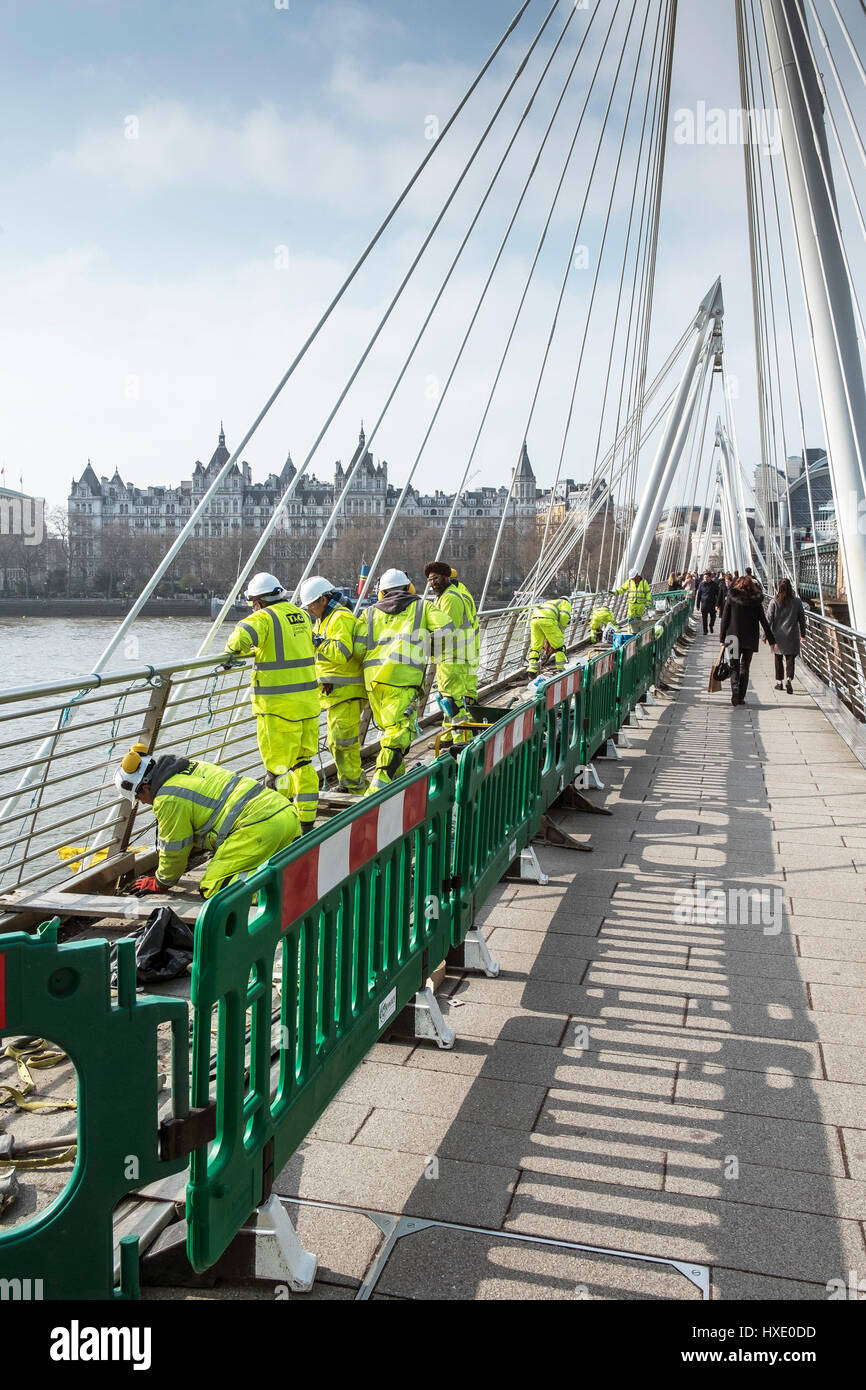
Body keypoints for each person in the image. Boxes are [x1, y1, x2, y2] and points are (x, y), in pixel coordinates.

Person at [117, 744, 300, 899]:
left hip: (260, 827)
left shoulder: (167, 798)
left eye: (140, 798)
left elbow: (175, 850)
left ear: (146, 788)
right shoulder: (191, 766)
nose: (144, 803)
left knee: (215, 889)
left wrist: (160, 882)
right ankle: (298, 880)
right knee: (265, 865)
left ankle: (287, 892)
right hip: (285, 814)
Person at [222, 572, 319, 832]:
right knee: (303, 764)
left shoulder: (263, 617)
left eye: (253, 602)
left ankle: (280, 825)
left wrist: (238, 653)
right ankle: (306, 822)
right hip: (307, 705)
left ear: (259, 600)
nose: (253, 606)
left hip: (277, 708)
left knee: (277, 769)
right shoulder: (301, 615)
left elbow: (237, 641)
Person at [354, 568, 451, 795]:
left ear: (381, 593)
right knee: (398, 734)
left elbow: (358, 649)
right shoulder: (422, 606)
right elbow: (446, 629)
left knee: (391, 731)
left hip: (375, 684)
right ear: (409, 588)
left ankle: (397, 784)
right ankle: (379, 787)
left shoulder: (368, 614)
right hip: (404, 681)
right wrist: (428, 648)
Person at [299, 575, 367, 795]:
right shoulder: (324, 618)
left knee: (343, 742)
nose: (309, 610)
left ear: (323, 600)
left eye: (310, 605)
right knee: (336, 742)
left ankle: (355, 788)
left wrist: (316, 640)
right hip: (335, 693)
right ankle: (350, 782)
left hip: (346, 692)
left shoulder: (340, 618)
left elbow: (342, 653)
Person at [423, 561, 478, 744]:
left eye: (436, 578)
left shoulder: (450, 599)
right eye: (430, 580)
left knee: (452, 701)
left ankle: (463, 740)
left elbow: (446, 631)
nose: (433, 583)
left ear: (446, 577)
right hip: (449, 655)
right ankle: (447, 736)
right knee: (446, 699)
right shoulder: (443, 596)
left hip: (452, 655)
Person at [719, 574, 775, 707]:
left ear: (737, 584)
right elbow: (763, 621)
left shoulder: (731, 598)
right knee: (745, 667)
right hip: (750, 638)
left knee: (734, 666)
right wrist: (772, 640)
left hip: (733, 637)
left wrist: (722, 638)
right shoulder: (756, 601)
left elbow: (725, 618)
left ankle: (735, 692)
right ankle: (741, 697)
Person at [766, 577, 807, 694]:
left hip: (777, 635)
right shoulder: (797, 601)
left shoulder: (774, 601)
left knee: (778, 658)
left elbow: (769, 619)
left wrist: (765, 636)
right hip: (792, 634)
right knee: (790, 659)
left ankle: (779, 682)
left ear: (779, 587)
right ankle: (789, 679)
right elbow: (802, 620)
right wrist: (803, 635)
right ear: (791, 588)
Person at [527, 595, 572, 676]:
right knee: (559, 647)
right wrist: (560, 631)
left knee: (535, 647)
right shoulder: (566, 603)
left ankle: (532, 670)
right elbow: (565, 616)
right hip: (547, 620)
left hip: (534, 619)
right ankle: (560, 669)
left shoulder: (551, 601)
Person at [694, 570, 720, 635]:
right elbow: (699, 595)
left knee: (713, 617)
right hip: (704, 604)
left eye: (706, 577)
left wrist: (718, 604)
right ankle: (705, 631)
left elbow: (718, 595)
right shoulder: (701, 584)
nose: (705, 578)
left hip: (712, 603)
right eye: (704, 577)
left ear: (710, 577)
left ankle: (711, 625)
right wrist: (697, 605)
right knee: (704, 618)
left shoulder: (714, 584)